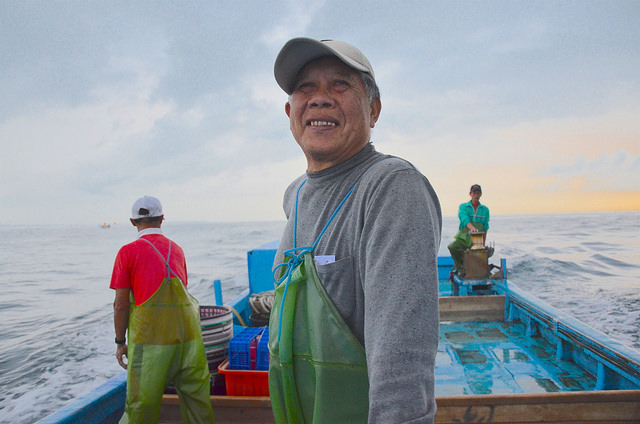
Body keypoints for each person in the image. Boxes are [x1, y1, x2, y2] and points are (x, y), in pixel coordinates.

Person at [268, 38, 442, 424]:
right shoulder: (294, 195)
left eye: (340, 85)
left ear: (374, 109)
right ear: (290, 110)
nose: (319, 99)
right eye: (305, 88)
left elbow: (403, 353)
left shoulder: (391, 186)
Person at [110, 196, 214, 424]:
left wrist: (120, 342)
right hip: (187, 340)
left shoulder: (127, 252)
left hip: (151, 343)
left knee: (141, 405)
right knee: (198, 402)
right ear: (162, 219)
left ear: (132, 221)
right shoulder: (176, 250)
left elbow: (120, 304)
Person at [447, 184, 490, 274]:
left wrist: (483, 243)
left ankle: (477, 269)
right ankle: (460, 267)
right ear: (470, 194)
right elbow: (464, 218)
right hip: (463, 237)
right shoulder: (463, 207)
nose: (476, 195)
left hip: (477, 240)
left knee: (480, 254)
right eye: (474, 193)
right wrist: (472, 228)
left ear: (481, 194)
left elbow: (485, 227)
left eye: (478, 193)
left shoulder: (485, 210)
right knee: (452, 247)